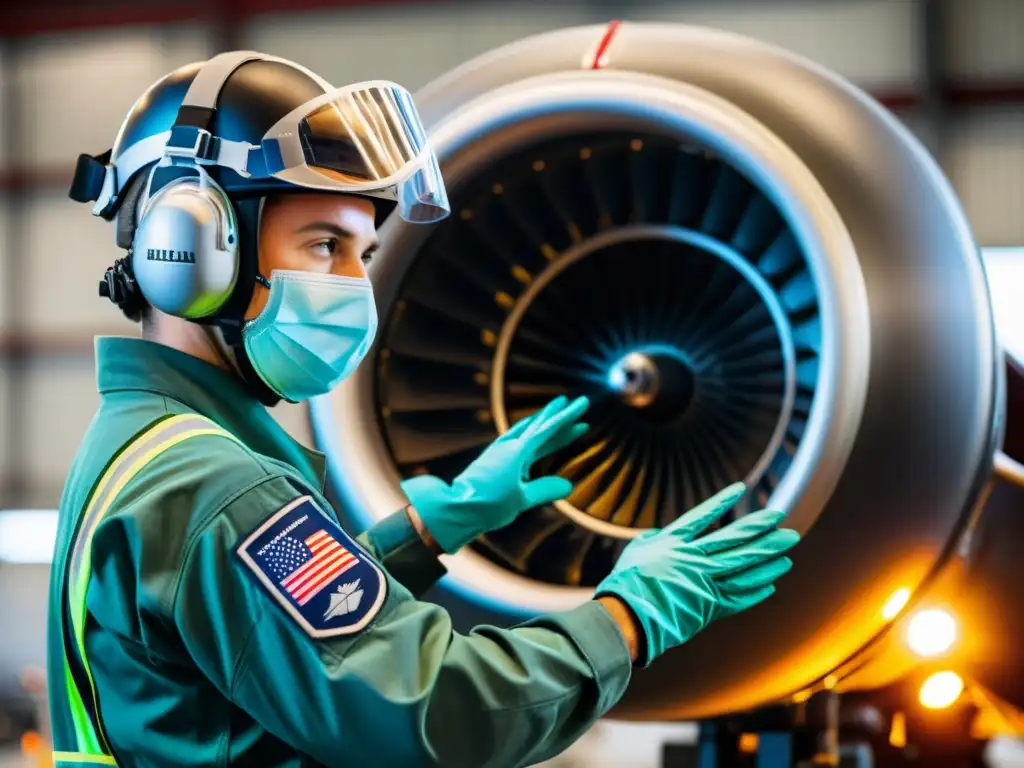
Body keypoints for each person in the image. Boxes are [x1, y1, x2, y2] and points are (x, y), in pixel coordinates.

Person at [46, 51, 800, 768]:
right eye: (323, 246)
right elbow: (431, 715)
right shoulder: (218, 487)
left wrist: (426, 530)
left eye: (362, 256)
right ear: (190, 249)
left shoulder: (143, 447)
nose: (354, 287)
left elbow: (264, 643)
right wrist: (629, 616)